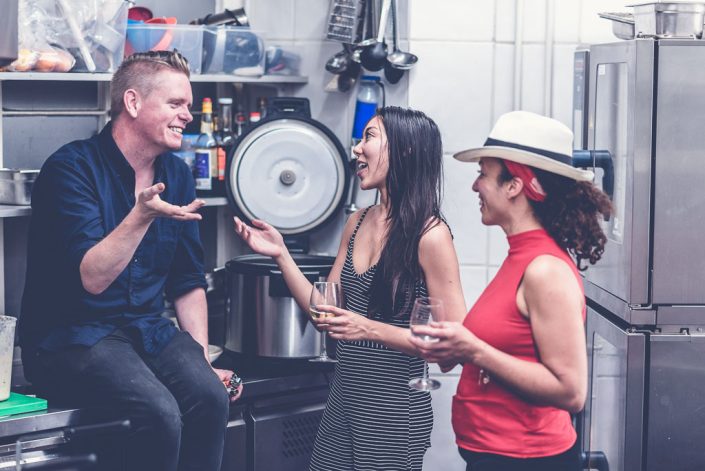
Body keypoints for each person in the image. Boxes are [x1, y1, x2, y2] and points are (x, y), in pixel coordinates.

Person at [18, 51, 241, 471]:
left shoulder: (177, 175)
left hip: (145, 330)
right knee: (158, 412)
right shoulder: (70, 169)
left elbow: (187, 281)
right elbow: (93, 278)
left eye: (189, 105)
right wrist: (140, 216)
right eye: (175, 104)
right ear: (133, 103)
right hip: (70, 338)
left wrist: (204, 363)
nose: (187, 116)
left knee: (211, 397)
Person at [233, 106, 467, 470]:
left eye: (369, 137)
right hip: (343, 401)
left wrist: (367, 328)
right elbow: (324, 313)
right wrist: (281, 254)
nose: (357, 148)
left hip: (393, 412)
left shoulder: (431, 235)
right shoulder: (357, 222)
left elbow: (452, 349)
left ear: (405, 149)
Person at [410, 111, 612, 471]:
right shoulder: (520, 256)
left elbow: (571, 391)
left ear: (514, 186)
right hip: (496, 458)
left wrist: (474, 349)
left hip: (529, 461)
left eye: (483, 174)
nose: (475, 186)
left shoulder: (545, 270)